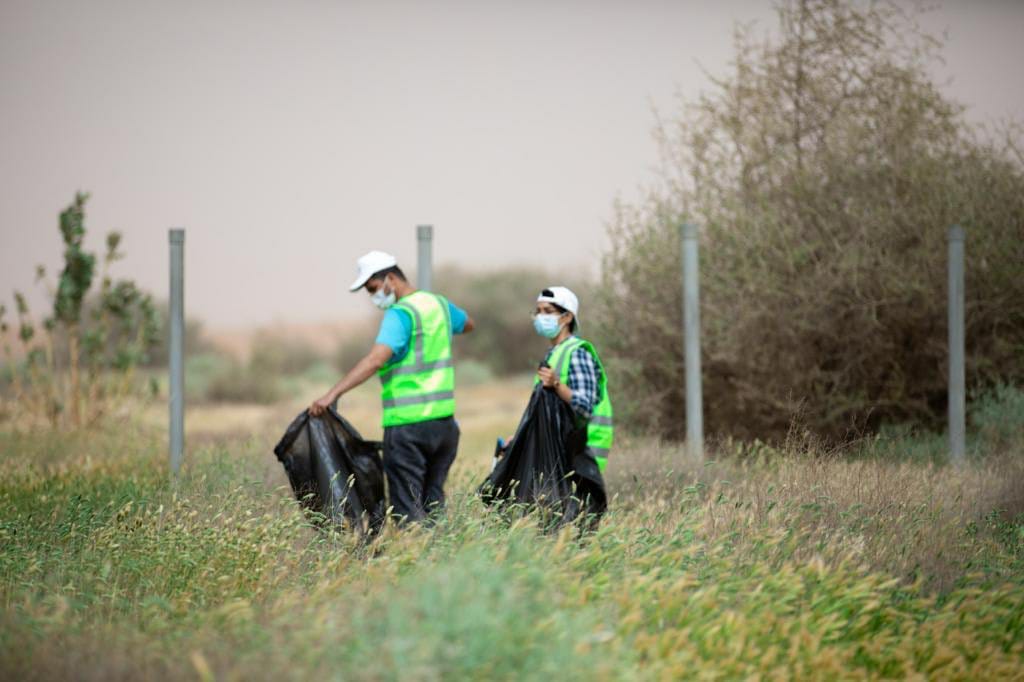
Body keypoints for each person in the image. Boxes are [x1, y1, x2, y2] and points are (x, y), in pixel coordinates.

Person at [310, 250, 474, 524]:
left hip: (408, 427)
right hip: (444, 425)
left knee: (407, 512)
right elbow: (468, 324)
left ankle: (417, 563)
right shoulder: (439, 305)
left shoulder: (400, 313)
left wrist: (332, 394)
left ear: (390, 279)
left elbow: (375, 360)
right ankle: (443, 560)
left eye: (373, 288)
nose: (373, 296)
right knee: (433, 505)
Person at [531, 286, 613, 473]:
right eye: (538, 311)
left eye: (548, 311)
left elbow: (585, 406)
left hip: (582, 455)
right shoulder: (554, 353)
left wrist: (557, 385)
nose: (540, 316)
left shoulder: (578, 353)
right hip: (563, 455)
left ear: (567, 317)